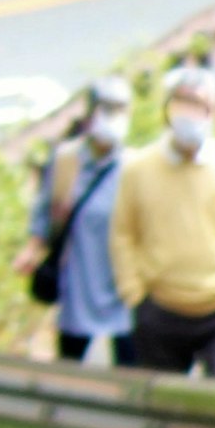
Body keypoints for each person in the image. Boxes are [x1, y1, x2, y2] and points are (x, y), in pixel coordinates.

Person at [111, 64, 215, 379]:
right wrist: (134, 292)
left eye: (198, 105)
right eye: (181, 104)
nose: (189, 116)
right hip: (161, 310)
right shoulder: (138, 169)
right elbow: (123, 234)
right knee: (165, 410)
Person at [28, 78, 134, 366]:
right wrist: (32, 248)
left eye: (120, 110)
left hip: (124, 287)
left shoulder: (135, 166)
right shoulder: (66, 161)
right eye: (107, 109)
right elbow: (43, 214)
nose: (114, 118)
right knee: (69, 367)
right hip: (78, 282)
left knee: (130, 369)